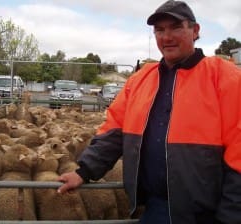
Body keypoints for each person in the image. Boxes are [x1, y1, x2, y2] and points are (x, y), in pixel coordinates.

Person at [57, 0, 241, 223]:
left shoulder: (225, 77)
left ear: (195, 30)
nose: (167, 37)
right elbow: (114, 129)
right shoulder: (140, 79)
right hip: (155, 208)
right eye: (160, 30)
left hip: (208, 213)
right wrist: (84, 171)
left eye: (176, 27)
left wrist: (231, 215)